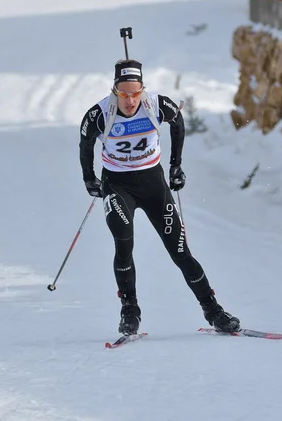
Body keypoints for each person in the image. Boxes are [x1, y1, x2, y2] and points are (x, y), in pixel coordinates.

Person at [78, 58, 240, 335]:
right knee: (123, 242)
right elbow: (85, 143)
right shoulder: (100, 113)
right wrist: (89, 178)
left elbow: (178, 123)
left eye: (135, 93)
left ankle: (213, 310)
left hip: (153, 185)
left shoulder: (156, 105)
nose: (130, 101)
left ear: (143, 90)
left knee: (180, 251)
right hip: (118, 186)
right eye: (124, 94)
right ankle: (130, 311)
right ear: (115, 91)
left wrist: (176, 165)